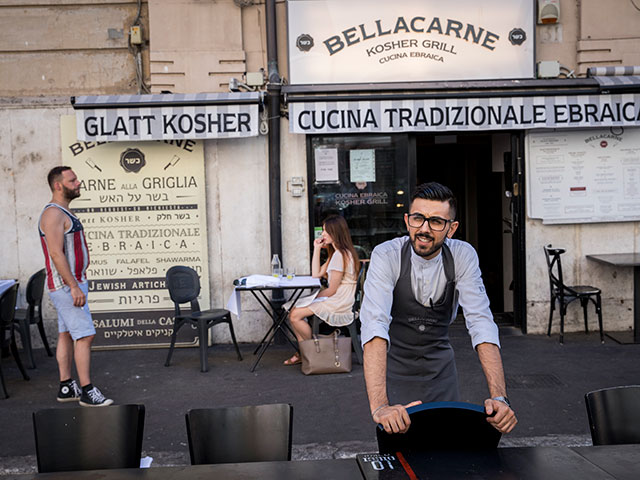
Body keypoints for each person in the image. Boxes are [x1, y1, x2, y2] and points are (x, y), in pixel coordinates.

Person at [360, 182, 517, 434]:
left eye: (435, 222)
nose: (424, 229)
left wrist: (500, 398)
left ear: (451, 228)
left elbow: (481, 323)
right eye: (418, 218)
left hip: (441, 372)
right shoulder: (386, 255)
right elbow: (374, 325)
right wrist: (380, 406)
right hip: (394, 372)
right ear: (406, 220)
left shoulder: (463, 256)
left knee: (448, 448)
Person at [38, 166, 113, 407]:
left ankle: (65, 385)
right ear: (58, 185)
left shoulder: (61, 212)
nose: (78, 182)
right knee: (86, 335)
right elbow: (56, 254)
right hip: (66, 286)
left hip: (70, 284)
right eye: (72, 180)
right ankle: (87, 391)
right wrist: (73, 286)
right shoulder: (53, 214)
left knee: (67, 333)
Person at [283, 215, 360, 366]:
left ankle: (311, 350)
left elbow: (331, 290)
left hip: (340, 300)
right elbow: (316, 274)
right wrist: (317, 248)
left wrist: (314, 298)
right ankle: (305, 353)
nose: (323, 234)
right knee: (294, 312)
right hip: (337, 297)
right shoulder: (336, 253)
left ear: (335, 232)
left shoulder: (340, 255)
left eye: (325, 231)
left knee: (295, 315)